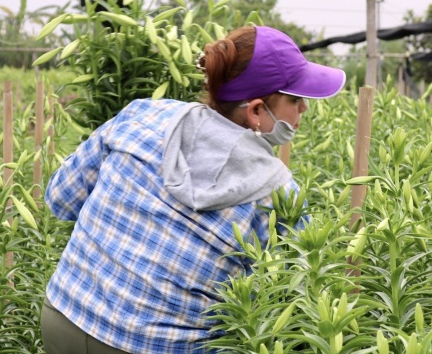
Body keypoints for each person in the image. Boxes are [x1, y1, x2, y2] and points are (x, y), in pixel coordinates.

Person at [40, 25, 346, 354]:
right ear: (256, 110)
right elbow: (292, 297)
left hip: (64, 317)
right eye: (295, 99)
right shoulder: (278, 192)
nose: (304, 110)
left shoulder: (142, 115)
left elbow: (60, 199)